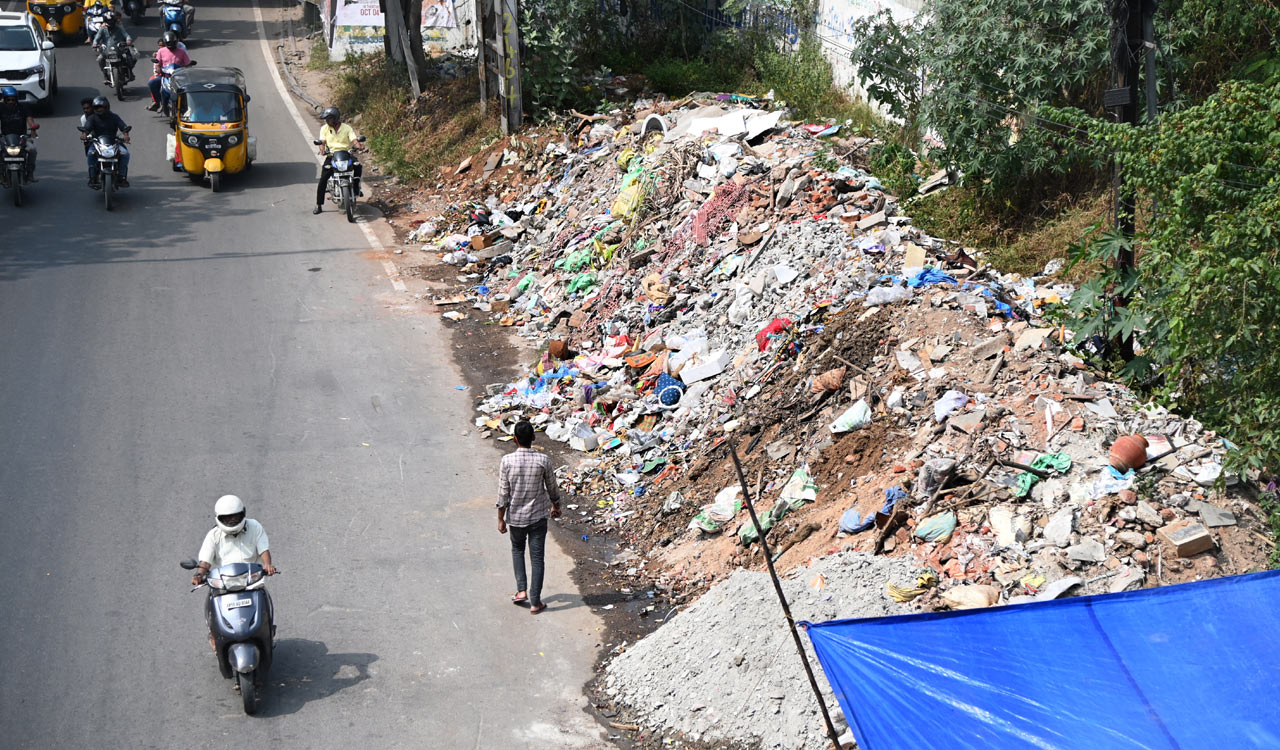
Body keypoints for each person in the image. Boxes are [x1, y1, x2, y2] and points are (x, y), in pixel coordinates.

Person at [190, 495, 276, 650]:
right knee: (211, 605)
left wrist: (267, 565)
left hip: (251, 581)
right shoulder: (213, 536)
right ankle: (213, 632)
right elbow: (205, 561)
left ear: (243, 514)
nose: (232, 521)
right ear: (219, 518)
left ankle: (267, 628)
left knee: (264, 601)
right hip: (223, 584)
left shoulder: (254, 526)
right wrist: (199, 574)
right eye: (227, 518)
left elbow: (263, 549)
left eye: (235, 517)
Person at [496, 420, 561, 615]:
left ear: (514, 439)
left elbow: (503, 494)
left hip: (515, 517)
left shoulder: (506, 461)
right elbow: (552, 488)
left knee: (517, 550)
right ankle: (535, 602)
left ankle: (521, 590)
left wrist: (500, 518)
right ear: (533, 438)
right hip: (538, 518)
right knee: (537, 558)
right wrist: (556, 506)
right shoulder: (543, 460)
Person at [313, 106, 364, 214]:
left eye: (329, 119)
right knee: (323, 179)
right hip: (331, 155)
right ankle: (319, 205)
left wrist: (359, 146)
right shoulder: (324, 128)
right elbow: (322, 142)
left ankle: (356, 186)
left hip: (346, 154)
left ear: (335, 118)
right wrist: (322, 149)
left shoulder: (347, 128)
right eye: (326, 119)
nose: (327, 121)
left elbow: (354, 139)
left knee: (357, 165)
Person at [79, 96, 131, 187]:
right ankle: (92, 177)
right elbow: (87, 128)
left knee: (125, 154)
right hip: (97, 143)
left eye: (100, 107)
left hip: (114, 142)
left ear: (106, 106)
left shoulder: (114, 117)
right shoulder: (92, 118)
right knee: (90, 154)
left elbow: (123, 127)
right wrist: (84, 135)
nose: (99, 109)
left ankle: (122, 177)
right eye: (96, 107)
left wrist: (126, 135)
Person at [146, 31, 191, 115]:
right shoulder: (161, 51)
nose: (171, 45)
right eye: (169, 43)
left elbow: (187, 64)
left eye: (172, 43)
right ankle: (157, 102)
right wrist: (159, 69)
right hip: (166, 76)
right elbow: (158, 64)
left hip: (179, 78)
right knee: (152, 83)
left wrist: (187, 68)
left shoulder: (182, 51)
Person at [0, 86, 37, 182]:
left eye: (13, 99)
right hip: (5, 138)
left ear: (16, 99)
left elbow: (29, 118)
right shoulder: (0, 108)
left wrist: (33, 128)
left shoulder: (23, 107)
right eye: (8, 99)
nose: (11, 101)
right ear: (4, 99)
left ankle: (30, 173)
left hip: (22, 137)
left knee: (32, 150)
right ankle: (0, 174)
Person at [92, 13, 137, 85]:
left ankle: (130, 72)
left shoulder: (119, 27)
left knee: (130, 57)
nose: (110, 22)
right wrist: (95, 44)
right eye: (108, 21)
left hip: (119, 48)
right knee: (100, 59)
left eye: (111, 21)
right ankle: (105, 75)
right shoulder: (102, 29)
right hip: (106, 49)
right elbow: (97, 38)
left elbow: (126, 35)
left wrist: (128, 40)